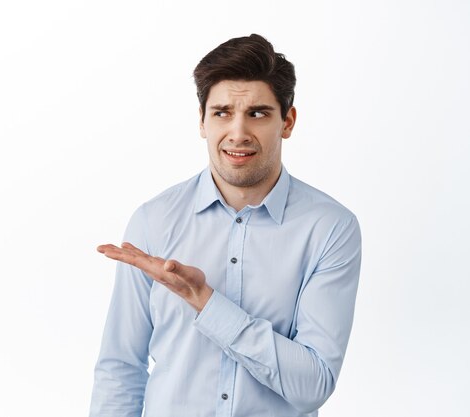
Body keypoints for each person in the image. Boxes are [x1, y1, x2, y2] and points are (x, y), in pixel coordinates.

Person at [89, 33, 361, 417]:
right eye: (221, 113)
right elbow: (120, 368)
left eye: (257, 113)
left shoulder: (330, 229)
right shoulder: (154, 221)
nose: (238, 133)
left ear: (287, 121)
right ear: (202, 121)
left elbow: (313, 384)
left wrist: (206, 301)